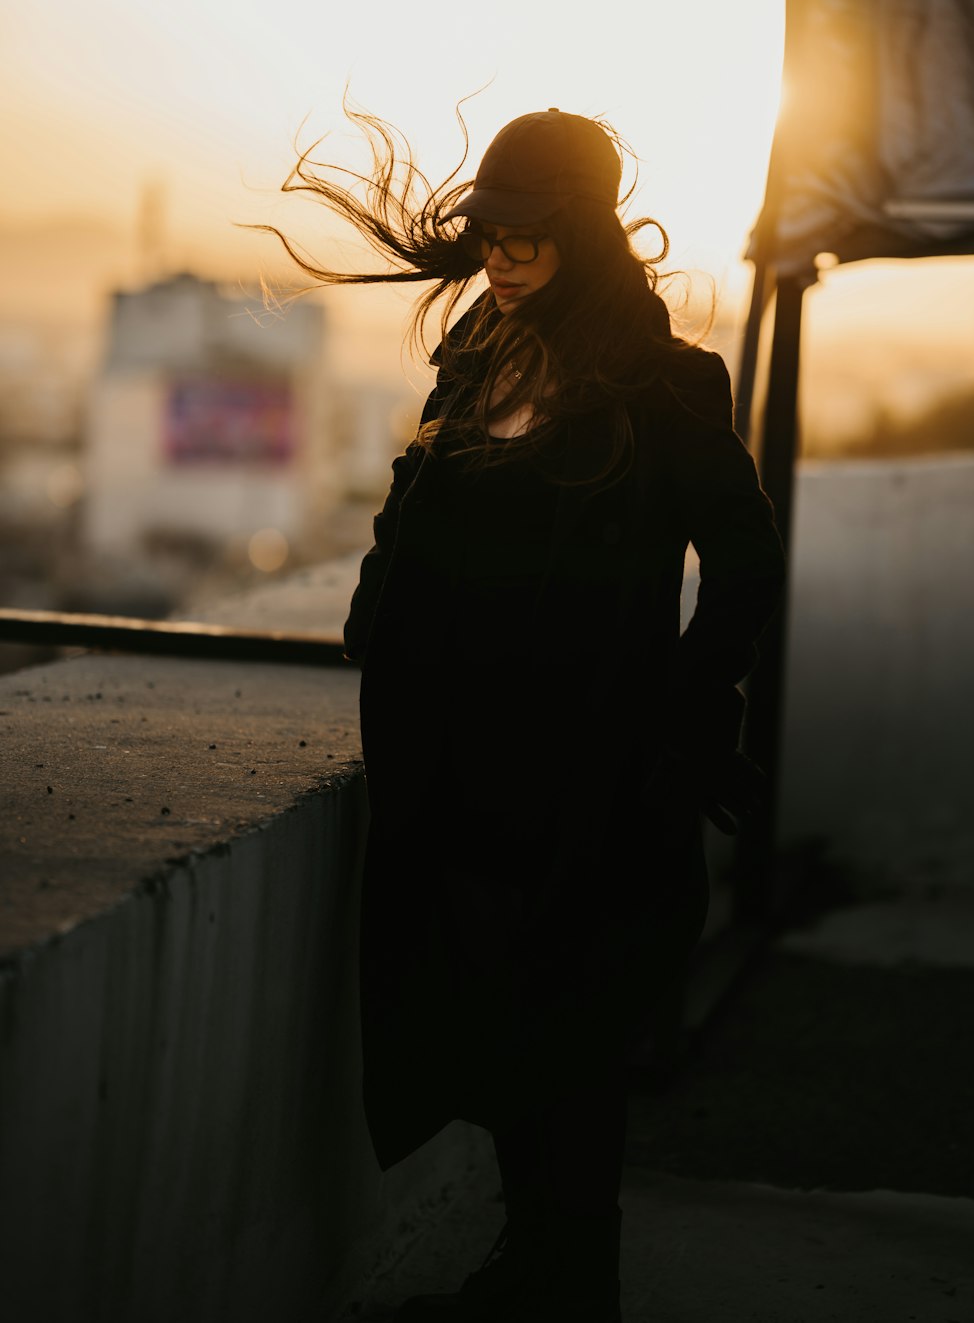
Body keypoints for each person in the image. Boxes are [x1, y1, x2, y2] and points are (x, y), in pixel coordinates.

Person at [265, 106, 785, 1322]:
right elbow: (415, 524)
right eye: (488, 232)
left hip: (586, 779)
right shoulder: (474, 356)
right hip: (455, 773)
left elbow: (747, 567)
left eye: (530, 237)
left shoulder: (667, 383)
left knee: (567, 1037)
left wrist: (679, 714)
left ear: (586, 237)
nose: (501, 256)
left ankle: (566, 1282)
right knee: (487, 1029)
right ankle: (532, 1268)